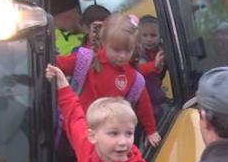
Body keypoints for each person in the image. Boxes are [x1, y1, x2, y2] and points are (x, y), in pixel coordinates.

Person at [56, 13, 161, 147]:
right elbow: (58, 64)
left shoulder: (134, 77)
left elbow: (144, 105)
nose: (122, 56)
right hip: (75, 131)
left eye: (128, 50)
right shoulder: (86, 60)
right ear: (104, 42)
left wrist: (151, 130)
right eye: (116, 50)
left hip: (105, 140)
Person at [133, 15, 167, 120]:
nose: (149, 39)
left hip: (156, 92)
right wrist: (154, 66)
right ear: (139, 37)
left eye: (153, 35)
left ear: (160, 36)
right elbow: (139, 69)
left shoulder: (162, 50)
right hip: (143, 94)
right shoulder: (138, 52)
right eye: (145, 35)